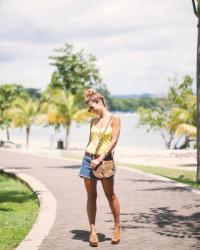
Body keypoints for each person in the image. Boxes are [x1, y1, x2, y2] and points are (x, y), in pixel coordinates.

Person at [79, 88, 121, 247]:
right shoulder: (93, 121)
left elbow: (114, 141)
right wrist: (87, 159)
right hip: (88, 159)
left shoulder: (114, 118)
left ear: (100, 102)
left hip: (104, 161)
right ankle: (93, 230)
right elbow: (91, 141)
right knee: (91, 197)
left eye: (93, 107)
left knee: (110, 195)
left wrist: (100, 158)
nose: (92, 111)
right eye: (89, 109)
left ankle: (117, 227)